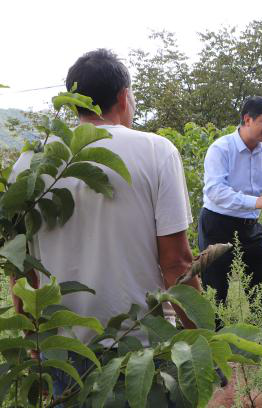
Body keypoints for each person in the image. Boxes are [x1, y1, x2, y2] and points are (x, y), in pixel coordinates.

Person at [9, 49, 201, 396]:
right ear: (124, 96)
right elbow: (177, 262)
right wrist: (200, 340)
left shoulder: (30, 160)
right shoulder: (157, 151)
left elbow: (20, 267)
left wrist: (31, 338)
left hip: (62, 345)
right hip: (140, 344)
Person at [198, 96, 262, 307]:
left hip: (249, 227)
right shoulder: (221, 148)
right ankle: (215, 327)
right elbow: (215, 191)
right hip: (217, 225)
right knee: (215, 288)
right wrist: (255, 202)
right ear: (247, 119)